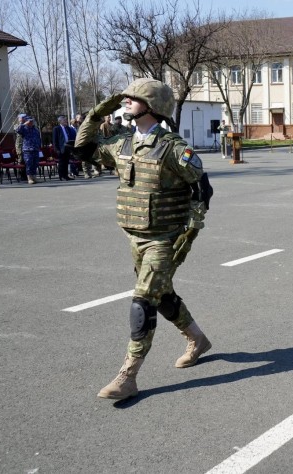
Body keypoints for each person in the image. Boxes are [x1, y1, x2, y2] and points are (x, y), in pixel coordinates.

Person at [73, 78, 214, 400]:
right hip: (134, 233)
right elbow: (83, 150)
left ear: (151, 106)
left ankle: (128, 375)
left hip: (164, 237)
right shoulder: (122, 142)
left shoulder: (173, 147)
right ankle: (197, 338)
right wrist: (96, 115)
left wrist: (191, 228)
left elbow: (201, 188)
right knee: (161, 294)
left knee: (142, 301)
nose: (124, 102)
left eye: (132, 99)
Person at [16, 116, 42, 184]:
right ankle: (29, 178)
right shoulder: (24, 129)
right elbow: (17, 130)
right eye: (30, 121)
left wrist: (39, 146)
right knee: (29, 164)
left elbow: (38, 139)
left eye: (32, 121)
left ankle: (34, 177)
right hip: (28, 149)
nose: (31, 122)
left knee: (35, 164)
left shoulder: (35, 130)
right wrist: (24, 123)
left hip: (35, 149)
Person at [52, 115, 77, 181]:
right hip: (61, 148)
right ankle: (61, 176)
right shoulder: (56, 129)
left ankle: (66, 176)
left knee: (66, 162)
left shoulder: (68, 128)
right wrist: (57, 149)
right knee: (61, 163)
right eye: (64, 120)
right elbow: (55, 140)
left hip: (67, 148)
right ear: (60, 121)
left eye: (66, 120)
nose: (66, 121)